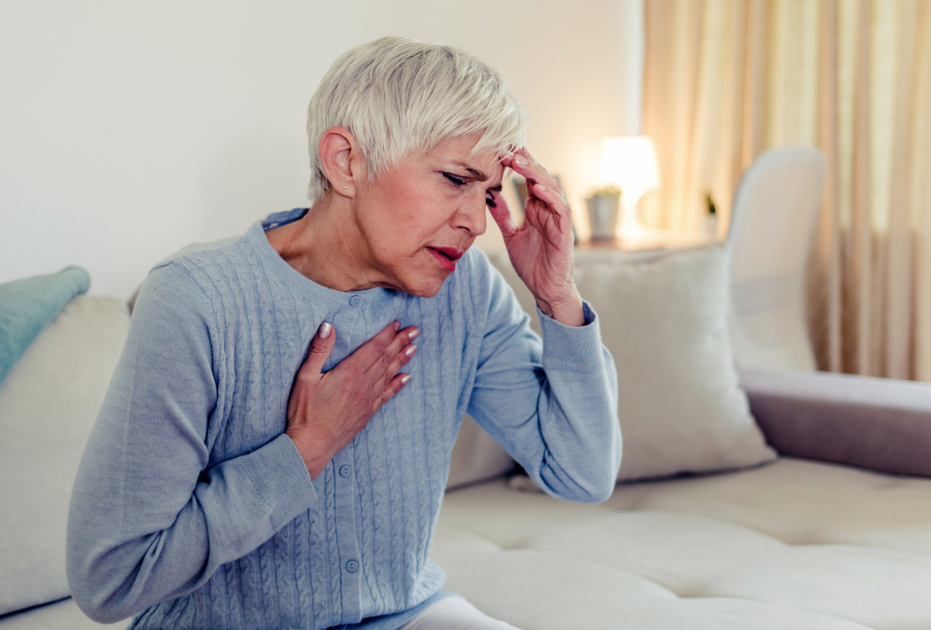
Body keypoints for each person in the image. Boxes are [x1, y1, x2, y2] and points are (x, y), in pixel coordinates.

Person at [66, 36, 620, 630]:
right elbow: (110, 579)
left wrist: (556, 297)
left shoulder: (466, 289)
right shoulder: (197, 299)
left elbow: (583, 474)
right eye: (455, 179)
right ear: (346, 161)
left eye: (487, 192)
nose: (477, 221)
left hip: (404, 614)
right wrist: (301, 452)